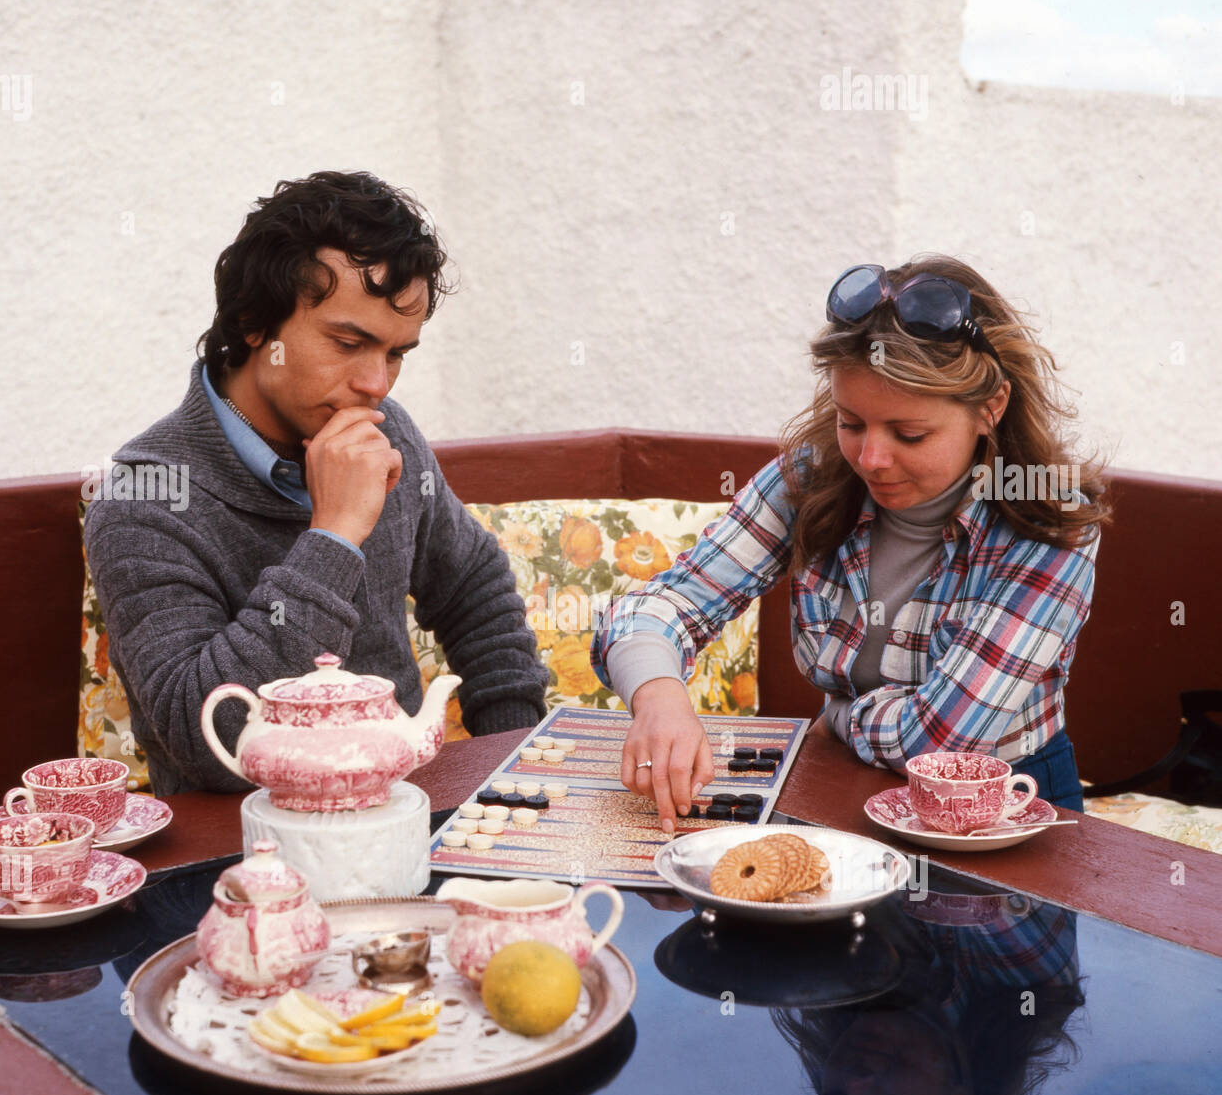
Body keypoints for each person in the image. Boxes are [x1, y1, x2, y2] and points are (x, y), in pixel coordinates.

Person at [592, 255, 1109, 830]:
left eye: (910, 434)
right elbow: (663, 605)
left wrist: (838, 716)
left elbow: (939, 743)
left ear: (990, 410)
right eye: (851, 422)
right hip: (840, 783)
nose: (871, 459)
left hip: (1005, 809)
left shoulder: (1052, 520)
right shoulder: (811, 477)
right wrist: (659, 696)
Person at [84, 171, 546, 796]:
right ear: (254, 322)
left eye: (396, 353)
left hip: (404, 818)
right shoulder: (144, 501)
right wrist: (333, 536)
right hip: (241, 859)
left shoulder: (389, 434)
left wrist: (510, 764)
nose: (376, 384)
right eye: (349, 342)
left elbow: (473, 588)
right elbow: (206, 738)